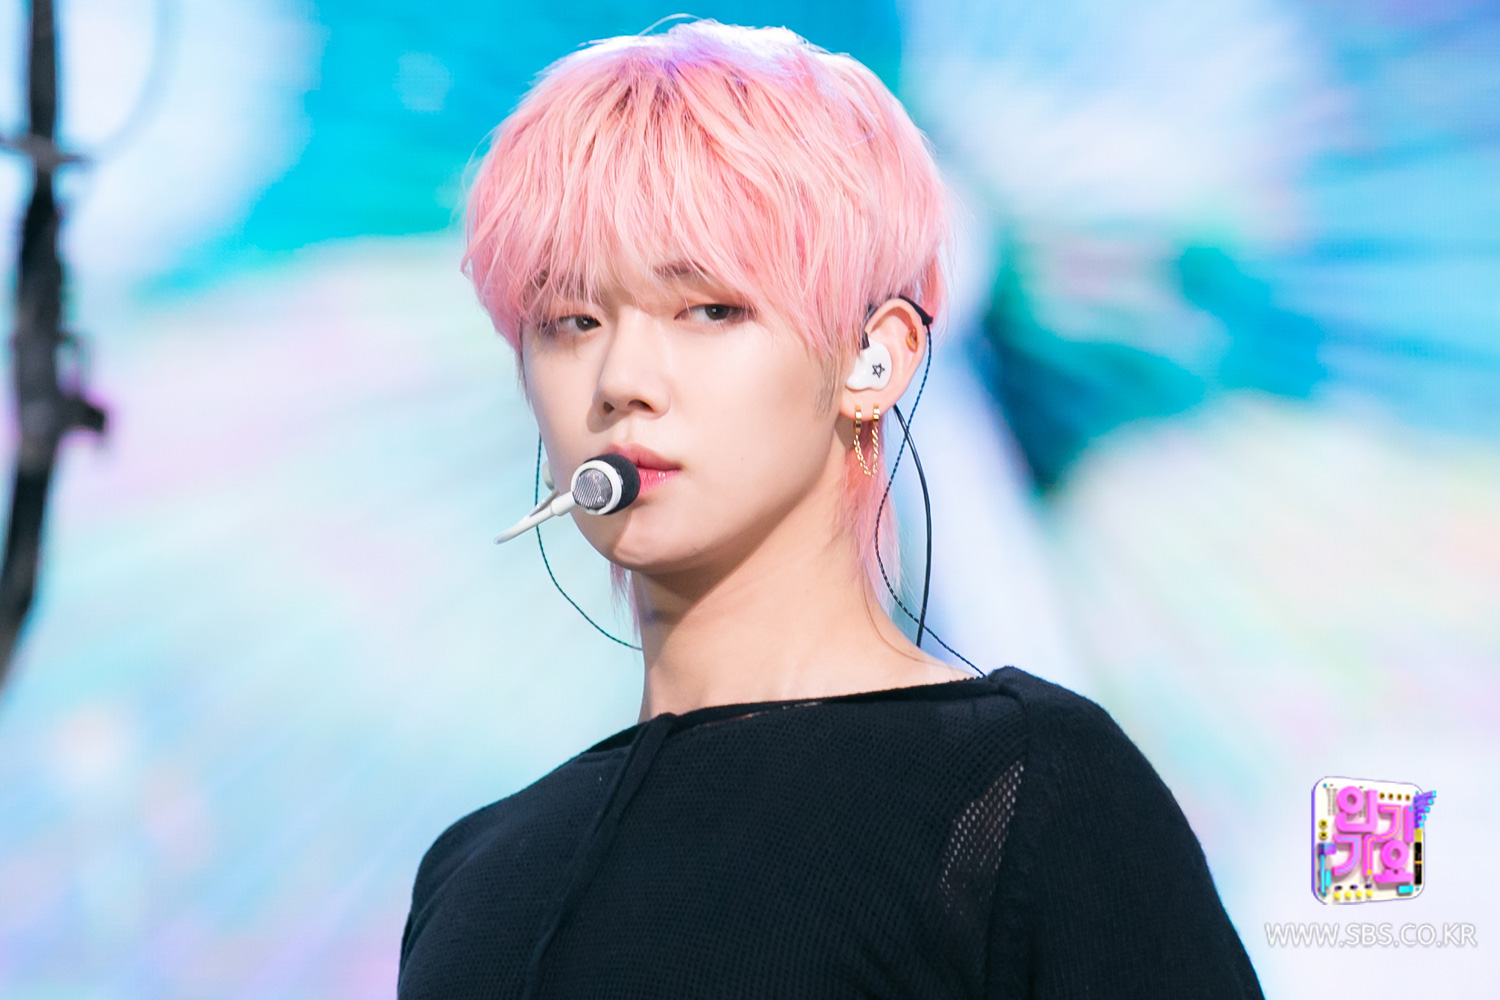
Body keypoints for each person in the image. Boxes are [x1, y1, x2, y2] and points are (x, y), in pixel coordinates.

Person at [398, 20, 1264, 999]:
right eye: (571, 321)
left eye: (709, 309)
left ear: (873, 358)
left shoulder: (1024, 794)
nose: (622, 378)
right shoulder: (473, 872)